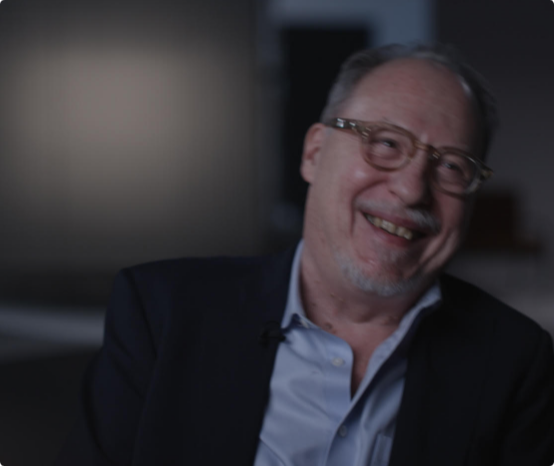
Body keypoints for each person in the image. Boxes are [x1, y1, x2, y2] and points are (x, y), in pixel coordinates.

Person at [58, 44, 554, 466]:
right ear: (315, 153)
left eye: (451, 166)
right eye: (385, 142)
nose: (410, 190)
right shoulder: (161, 312)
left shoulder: (515, 362)